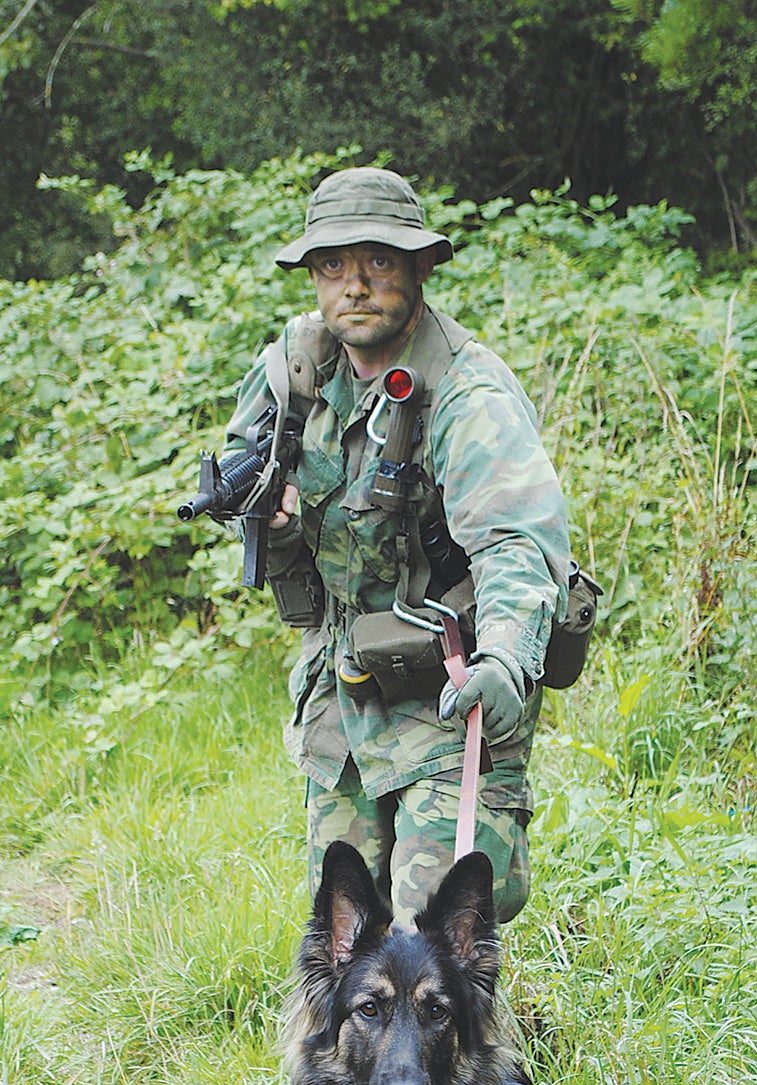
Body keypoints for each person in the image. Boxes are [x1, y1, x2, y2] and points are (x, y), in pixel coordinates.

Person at [224, 166, 571, 924]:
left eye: (378, 261)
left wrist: (507, 660)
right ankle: (329, 1051)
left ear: (420, 267)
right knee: (346, 938)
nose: (353, 286)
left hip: (451, 691)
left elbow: (518, 544)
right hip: (344, 695)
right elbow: (241, 464)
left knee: (433, 941)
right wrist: (263, 513)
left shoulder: (466, 394)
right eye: (331, 266)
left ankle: (486, 1047)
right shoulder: (297, 368)